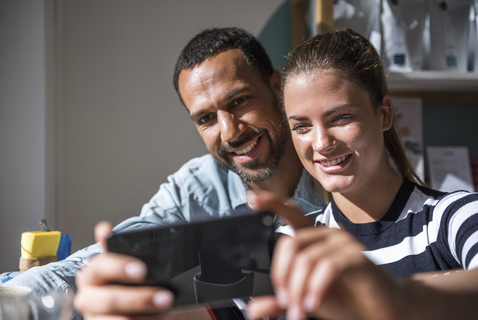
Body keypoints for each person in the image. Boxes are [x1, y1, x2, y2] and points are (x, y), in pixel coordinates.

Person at [3, 27, 325, 319]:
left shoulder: (337, 165)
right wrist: (14, 301)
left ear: (277, 86)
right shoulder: (197, 187)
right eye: (206, 119)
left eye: (239, 101)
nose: (230, 133)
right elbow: (93, 263)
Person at [245, 29, 478, 320]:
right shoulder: (290, 244)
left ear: (384, 114)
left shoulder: (454, 216)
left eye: (341, 117)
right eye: (302, 126)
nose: (321, 144)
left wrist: (395, 298)